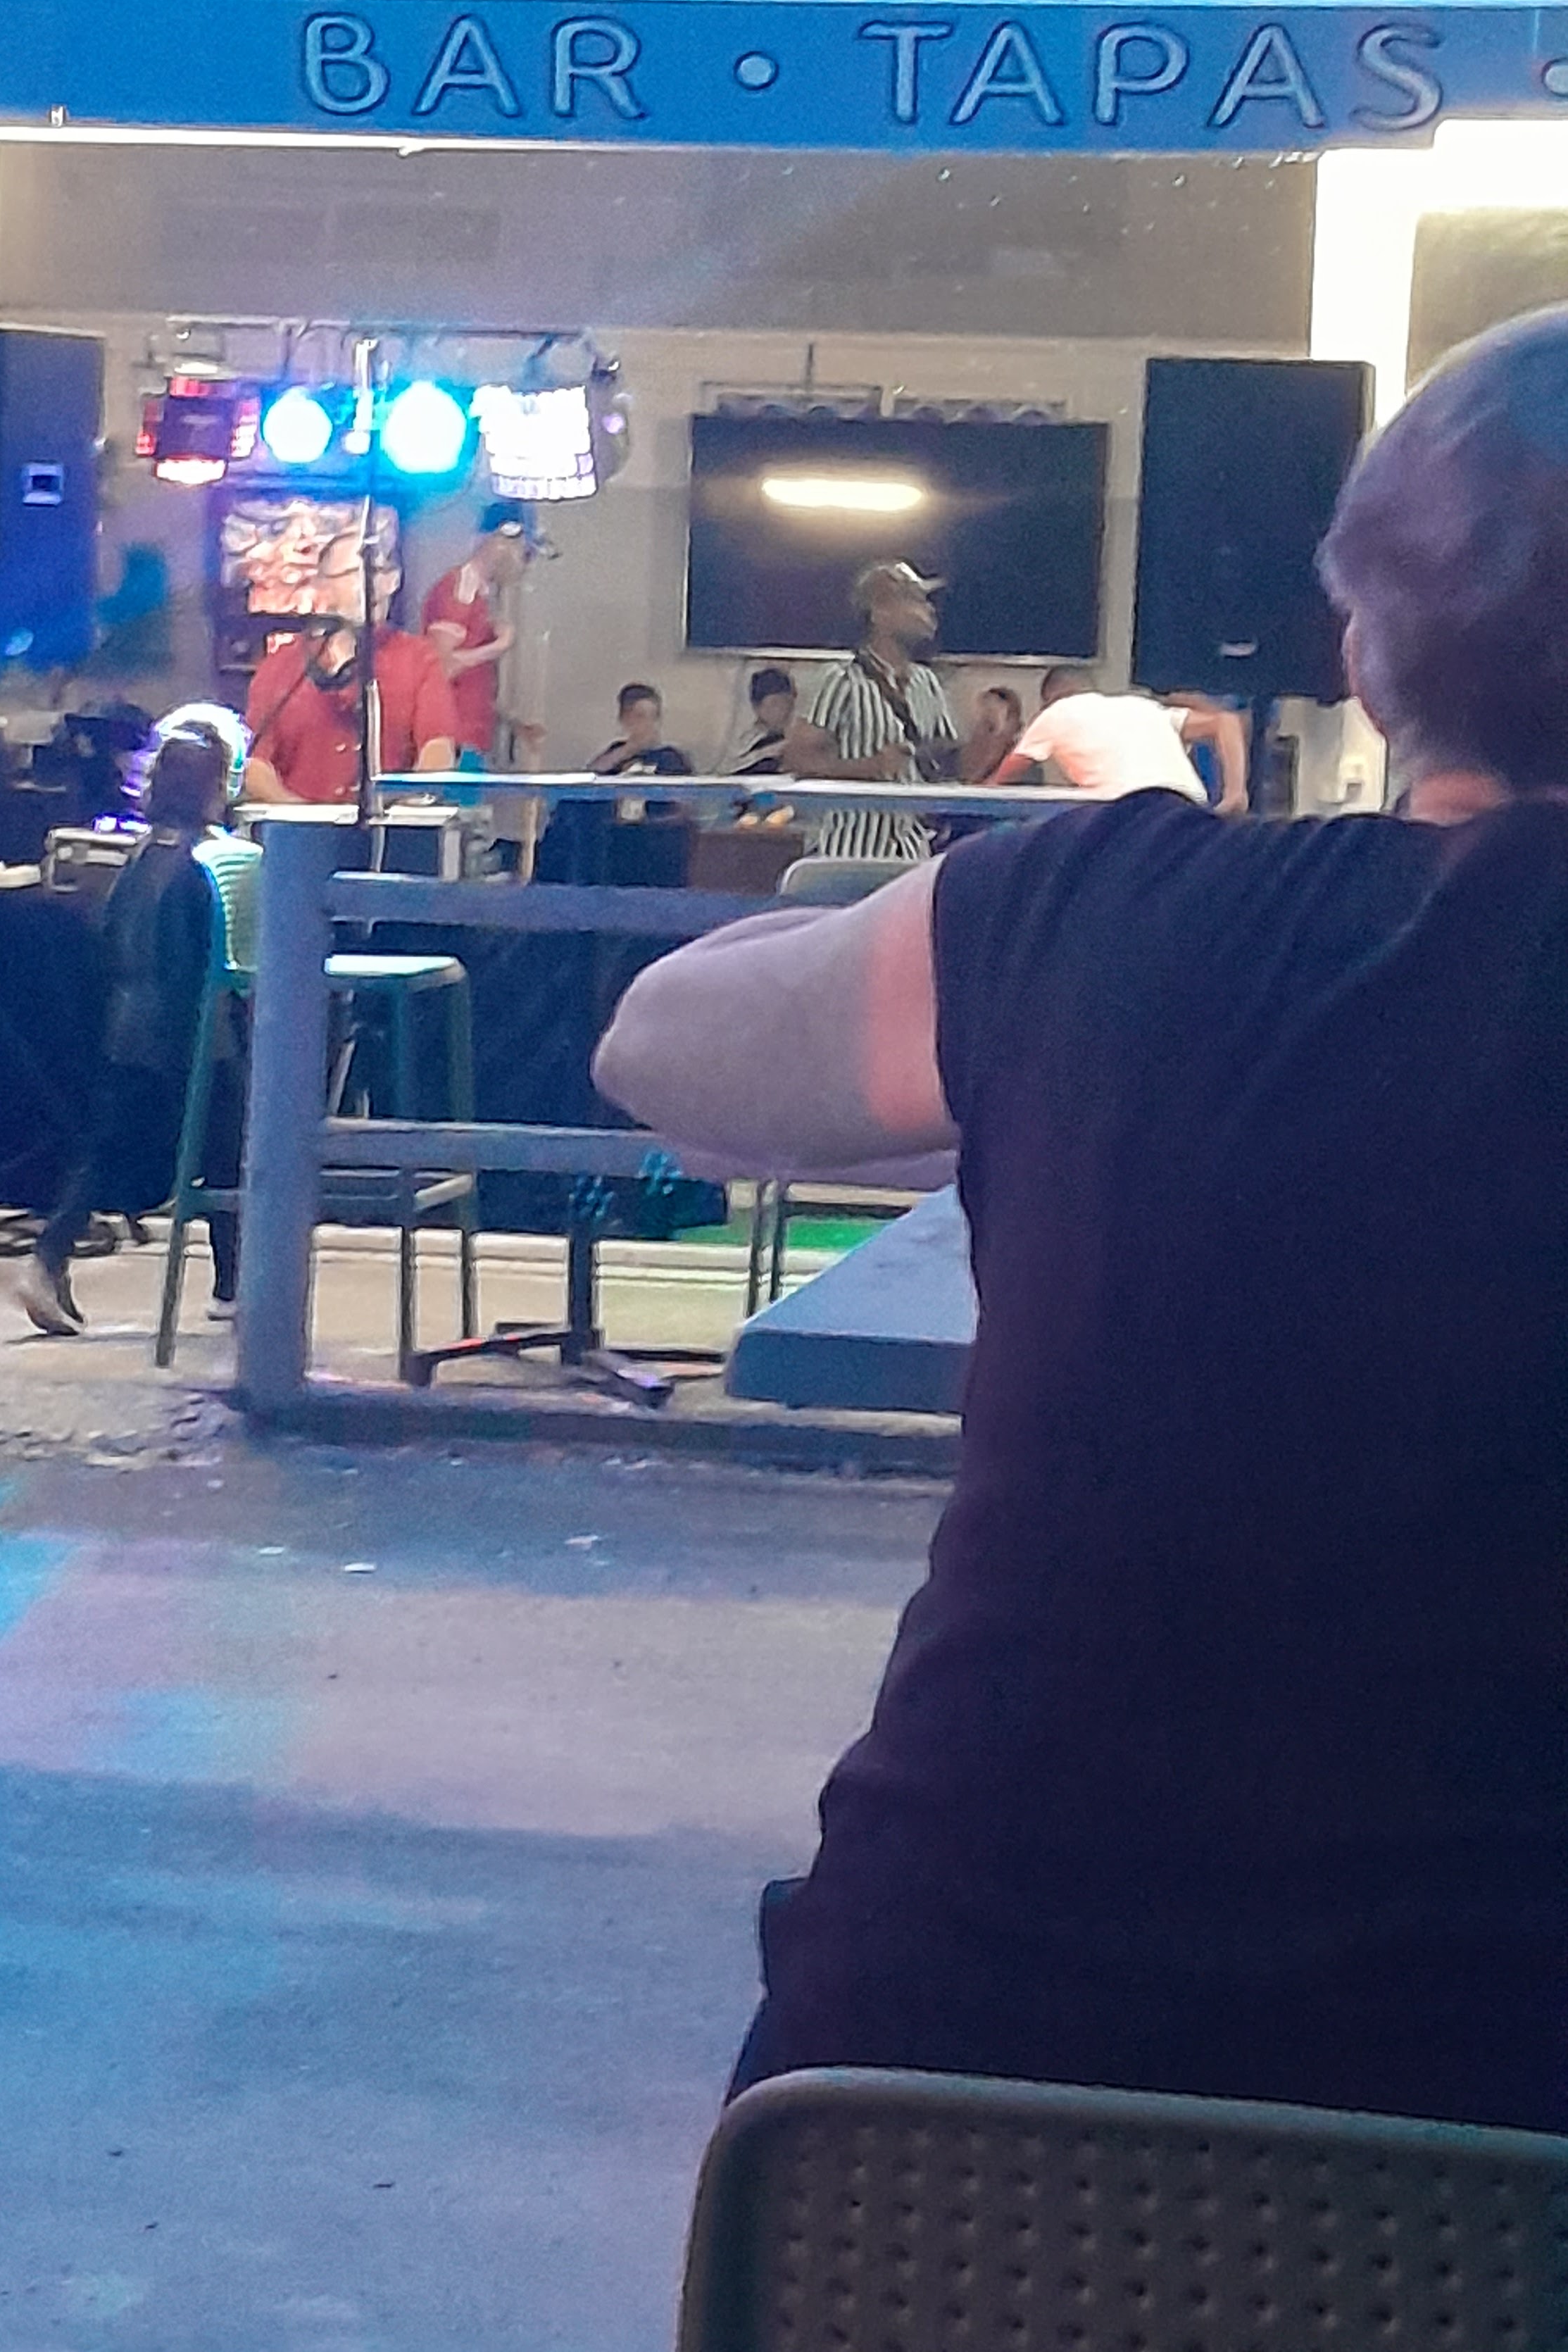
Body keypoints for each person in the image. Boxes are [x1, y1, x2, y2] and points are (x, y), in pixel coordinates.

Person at [594, 304, 1568, 2133]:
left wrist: (1117, 880)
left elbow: (663, 1045)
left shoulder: (1103, 920)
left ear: (1365, 657)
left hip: (913, 2160)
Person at [17, 720, 257, 1337]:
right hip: (195, 1035)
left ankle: (52, 1258)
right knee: (225, 1152)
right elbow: (216, 961)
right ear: (217, 788)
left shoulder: (142, 857)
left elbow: (109, 939)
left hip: (129, 1030)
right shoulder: (215, 863)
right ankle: (232, 1286)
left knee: (110, 1153)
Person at [240, 521, 460, 806]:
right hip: (298, 830)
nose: (376, 586)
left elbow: (438, 748)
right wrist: (306, 818)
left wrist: (404, 808)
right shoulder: (282, 666)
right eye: (357, 573)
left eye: (382, 573)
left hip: (389, 828)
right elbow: (255, 764)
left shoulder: (419, 659)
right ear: (324, 585)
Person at [801, 559, 961, 862]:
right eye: (916, 600)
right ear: (880, 613)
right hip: (851, 852)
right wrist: (869, 767)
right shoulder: (840, 680)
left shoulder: (927, 682)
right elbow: (799, 758)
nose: (929, 610)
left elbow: (948, 754)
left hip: (913, 852)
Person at [990, 665, 1222, 805]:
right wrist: (1233, 797)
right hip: (1192, 807)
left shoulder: (1057, 711)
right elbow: (1225, 723)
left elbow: (997, 787)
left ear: (1050, 699)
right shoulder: (1142, 706)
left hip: (1132, 809)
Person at [422, 501, 532, 758]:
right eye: (523, 552)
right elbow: (441, 667)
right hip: (455, 741)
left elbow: (473, 680)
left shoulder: (484, 594)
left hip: (475, 738)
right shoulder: (461, 589)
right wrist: (498, 646)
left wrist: (508, 720)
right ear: (500, 542)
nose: (523, 564)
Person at [587, 680, 694, 786]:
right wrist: (628, 750)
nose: (648, 724)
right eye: (640, 716)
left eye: (653, 717)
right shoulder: (616, 752)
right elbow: (591, 778)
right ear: (624, 719)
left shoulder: (671, 758)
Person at [734, 666, 799, 777]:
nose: (784, 710)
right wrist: (765, 753)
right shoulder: (746, 744)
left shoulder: (801, 737)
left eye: (787, 702)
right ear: (757, 708)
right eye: (775, 704)